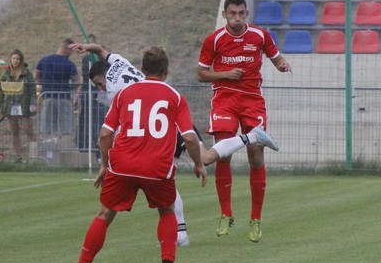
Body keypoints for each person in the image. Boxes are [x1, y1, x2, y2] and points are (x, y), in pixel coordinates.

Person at [72, 40, 279, 247]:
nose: (101, 88)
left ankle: (252, 137)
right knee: (165, 174)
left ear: (103, 78)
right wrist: (90, 48)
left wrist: (107, 163)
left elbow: (108, 133)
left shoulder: (115, 91)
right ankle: (180, 235)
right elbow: (103, 51)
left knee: (201, 160)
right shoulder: (118, 62)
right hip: (165, 115)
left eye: (99, 84)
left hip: (165, 122)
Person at [67, 46, 207, 263]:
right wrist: (198, 164)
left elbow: (104, 135)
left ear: (142, 69)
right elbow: (190, 137)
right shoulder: (174, 96)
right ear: (166, 70)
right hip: (157, 167)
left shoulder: (122, 94)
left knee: (104, 214)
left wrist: (105, 164)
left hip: (122, 165)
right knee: (167, 211)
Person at [197, 0, 291, 243]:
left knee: (256, 154)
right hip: (224, 100)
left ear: (246, 14)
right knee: (222, 153)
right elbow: (201, 74)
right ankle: (226, 214)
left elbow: (275, 57)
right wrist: (226, 74)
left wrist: (282, 64)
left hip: (252, 101)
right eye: (232, 14)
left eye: (241, 13)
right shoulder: (214, 40)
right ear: (225, 15)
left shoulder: (259, 35)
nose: (237, 18)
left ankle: (256, 219)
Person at [35, 38, 81, 149]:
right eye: (71, 51)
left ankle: (50, 157)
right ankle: (65, 156)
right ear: (67, 49)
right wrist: (74, 91)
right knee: (66, 129)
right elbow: (77, 81)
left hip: (47, 98)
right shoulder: (69, 64)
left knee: (48, 128)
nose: (71, 54)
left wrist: (44, 85)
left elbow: (36, 76)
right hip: (64, 98)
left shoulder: (44, 60)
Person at [0, 49, 35, 162]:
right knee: (14, 131)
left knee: (28, 129)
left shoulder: (27, 73)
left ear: (21, 60)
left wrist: (33, 103)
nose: (16, 61)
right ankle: (19, 156)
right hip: (11, 105)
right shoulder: (6, 74)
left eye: (18, 59)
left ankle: (33, 156)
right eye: (14, 58)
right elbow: (1, 90)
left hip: (24, 104)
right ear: (10, 60)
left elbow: (33, 89)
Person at [77, 34, 106, 153]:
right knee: (86, 122)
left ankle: (99, 150)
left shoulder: (100, 58)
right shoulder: (85, 59)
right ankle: (86, 149)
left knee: (98, 122)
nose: (85, 46)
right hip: (86, 95)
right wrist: (78, 94)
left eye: (88, 43)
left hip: (98, 96)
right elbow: (84, 78)